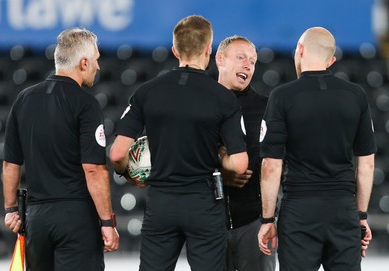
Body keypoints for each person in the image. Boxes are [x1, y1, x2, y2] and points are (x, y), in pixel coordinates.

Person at [110, 15, 248, 271]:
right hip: (204, 203)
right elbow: (239, 164)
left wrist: (127, 173)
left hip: (161, 202)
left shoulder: (146, 92)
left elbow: (118, 153)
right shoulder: (224, 98)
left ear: (175, 50)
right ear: (209, 48)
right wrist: (220, 158)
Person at [257, 27, 376, 271]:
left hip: (299, 210)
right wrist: (361, 217)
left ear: (299, 50)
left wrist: (268, 219)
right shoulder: (356, 95)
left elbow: (271, 166)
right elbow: (367, 163)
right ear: (331, 60)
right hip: (343, 209)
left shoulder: (281, 96)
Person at [3, 28, 119, 271]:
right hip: (75, 217)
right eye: (96, 60)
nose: (98, 67)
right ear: (84, 62)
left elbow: (10, 164)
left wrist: (12, 209)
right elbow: (94, 169)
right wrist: (107, 222)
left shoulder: (23, 99)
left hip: (36, 219)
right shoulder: (86, 104)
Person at [215, 35, 276, 271]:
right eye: (241, 58)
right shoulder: (199, 103)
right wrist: (221, 171)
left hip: (254, 222)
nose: (248, 65)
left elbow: (278, 162)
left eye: (252, 61)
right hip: (208, 224)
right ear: (220, 59)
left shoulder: (267, 108)